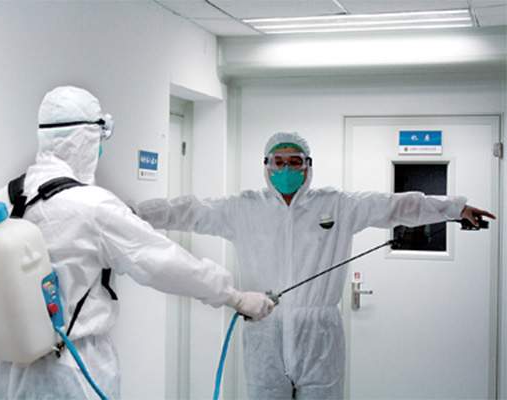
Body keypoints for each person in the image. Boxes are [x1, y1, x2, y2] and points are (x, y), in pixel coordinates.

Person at [135, 131, 496, 400]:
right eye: (278, 161)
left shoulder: (336, 205)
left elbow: (395, 205)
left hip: (320, 335)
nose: (286, 168)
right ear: (266, 166)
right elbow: (189, 211)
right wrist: (132, 215)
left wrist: (454, 208)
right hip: (264, 330)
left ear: (308, 166)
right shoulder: (243, 208)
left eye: (295, 161)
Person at [0, 86, 274, 399]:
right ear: (88, 137)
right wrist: (233, 296)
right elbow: (163, 262)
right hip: (73, 369)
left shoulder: (0, 199)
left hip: (9, 369)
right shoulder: (92, 206)